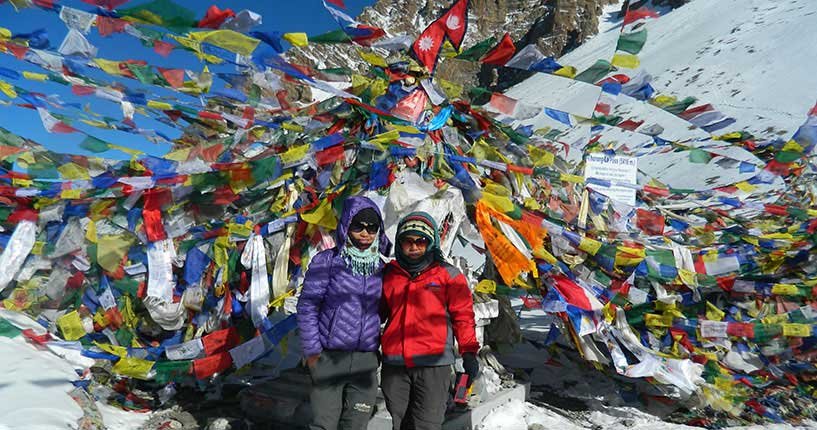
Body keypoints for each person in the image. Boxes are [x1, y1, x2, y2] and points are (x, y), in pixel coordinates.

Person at [296, 196, 391, 430]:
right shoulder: (327, 262)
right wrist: (312, 353)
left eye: (372, 227)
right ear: (346, 226)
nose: (365, 233)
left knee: (356, 424)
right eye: (358, 226)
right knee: (323, 424)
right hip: (329, 358)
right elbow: (307, 307)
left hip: (364, 361)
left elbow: (386, 310)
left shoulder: (381, 268)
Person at [380, 211, 480, 430]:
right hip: (395, 363)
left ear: (432, 242)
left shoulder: (448, 275)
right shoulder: (389, 273)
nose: (414, 247)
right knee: (400, 421)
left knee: (426, 423)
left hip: (433, 363)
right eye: (408, 241)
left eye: (421, 241)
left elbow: (463, 316)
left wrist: (469, 352)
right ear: (399, 242)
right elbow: (376, 313)